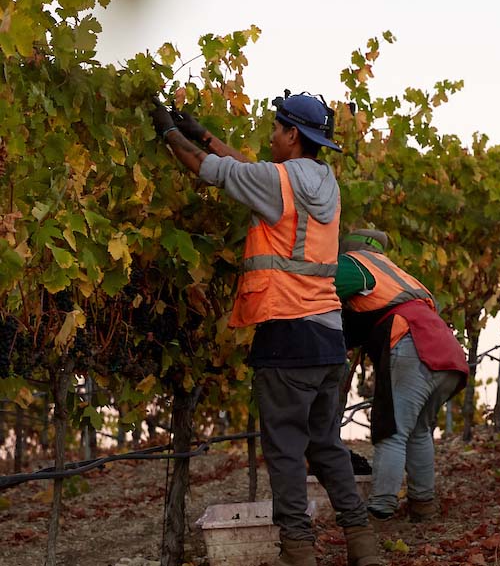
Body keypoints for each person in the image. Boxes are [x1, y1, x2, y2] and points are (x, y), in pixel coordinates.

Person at [149, 93, 382, 566]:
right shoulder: (324, 182)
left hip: (286, 334)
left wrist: (169, 133)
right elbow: (252, 171)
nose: (270, 136)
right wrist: (206, 135)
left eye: (276, 128)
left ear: (293, 135)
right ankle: (363, 543)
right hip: (327, 338)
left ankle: (298, 551)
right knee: (326, 446)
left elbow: (205, 169)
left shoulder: (277, 183)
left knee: (284, 453)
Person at [333, 229, 468, 522]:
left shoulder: (354, 263)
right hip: (447, 353)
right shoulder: (398, 274)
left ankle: (381, 507)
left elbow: (316, 292)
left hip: (412, 347)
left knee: (391, 430)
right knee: (418, 431)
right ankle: (423, 505)